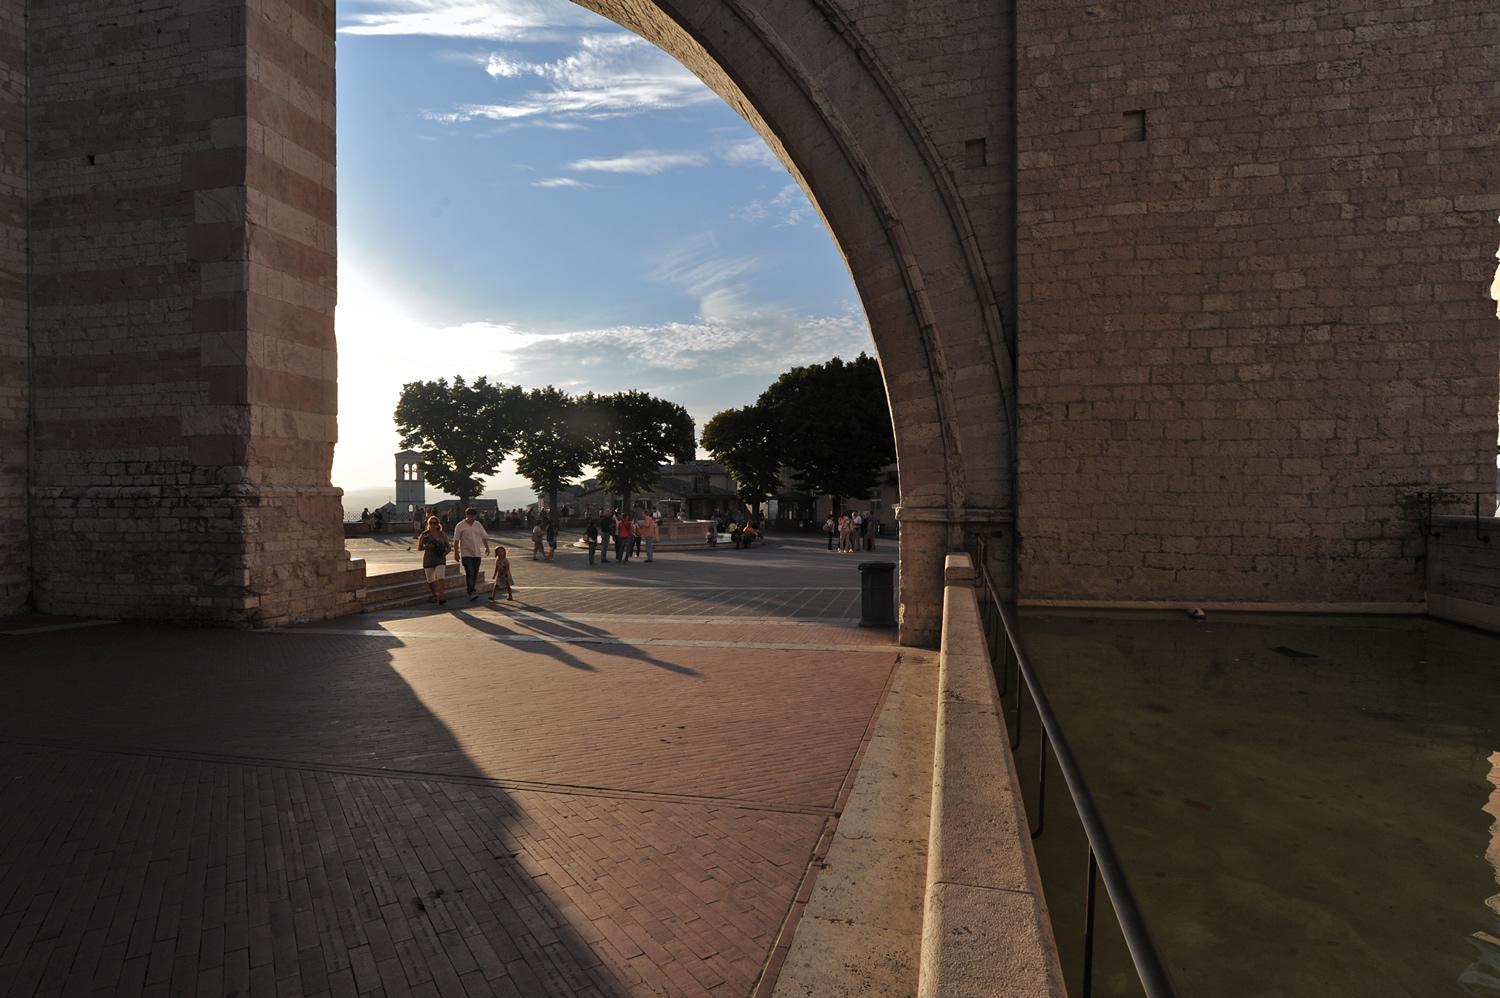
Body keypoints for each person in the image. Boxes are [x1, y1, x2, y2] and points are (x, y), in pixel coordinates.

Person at [452, 507, 490, 601]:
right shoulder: (460, 526)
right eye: (470, 515)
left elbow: (483, 536)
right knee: (470, 572)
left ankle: (471, 590)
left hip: (477, 553)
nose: (472, 518)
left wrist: (487, 547)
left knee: (475, 573)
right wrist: (456, 553)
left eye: (474, 516)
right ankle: (471, 591)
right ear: (467, 515)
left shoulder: (478, 524)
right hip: (466, 553)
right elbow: (456, 540)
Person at [417, 516, 451, 605]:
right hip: (429, 559)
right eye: (431, 523)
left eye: (435, 523)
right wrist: (426, 547)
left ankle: (442, 595)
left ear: (437, 524)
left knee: (441, 577)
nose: (432, 524)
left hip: (440, 558)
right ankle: (434, 595)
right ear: (428, 524)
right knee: (430, 580)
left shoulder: (442, 534)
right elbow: (419, 548)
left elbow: (448, 546)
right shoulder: (425, 535)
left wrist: (446, 552)